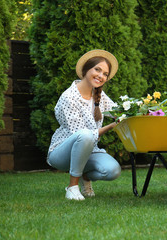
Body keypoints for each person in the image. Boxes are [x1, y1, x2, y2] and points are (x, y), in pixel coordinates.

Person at [47, 49, 121, 200]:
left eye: (105, 74)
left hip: (89, 150)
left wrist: (136, 110)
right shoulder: (69, 97)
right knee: (85, 135)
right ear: (86, 69)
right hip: (61, 153)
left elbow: (117, 111)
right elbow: (80, 134)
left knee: (112, 170)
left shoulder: (98, 94)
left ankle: (84, 176)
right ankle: (72, 187)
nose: (101, 76)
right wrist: (110, 127)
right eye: (97, 69)